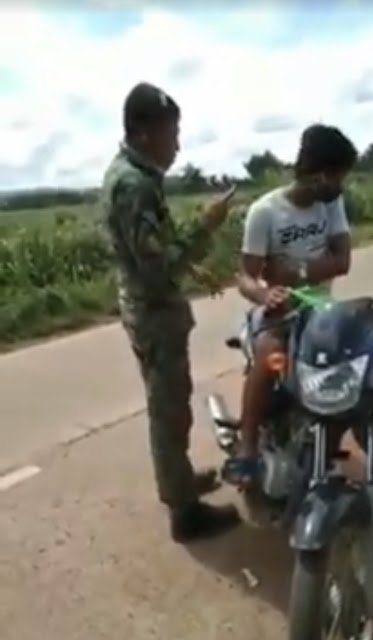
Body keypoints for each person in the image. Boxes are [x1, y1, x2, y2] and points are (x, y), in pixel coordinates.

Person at [101, 82, 240, 542]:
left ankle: (178, 480)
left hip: (146, 304)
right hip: (154, 312)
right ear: (143, 133)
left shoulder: (131, 174)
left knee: (169, 404)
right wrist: (205, 226)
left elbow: (148, 251)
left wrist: (191, 267)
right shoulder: (134, 185)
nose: (177, 145)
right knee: (169, 410)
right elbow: (158, 269)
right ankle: (185, 512)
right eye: (171, 134)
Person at [225, 123, 358, 485]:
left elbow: (343, 261)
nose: (340, 185)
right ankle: (248, 448)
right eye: (337, 176)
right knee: (270, 356)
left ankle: (329, 442)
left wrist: (294, 271)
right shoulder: (264, 212)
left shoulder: (331, 205)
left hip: (322, 312)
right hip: (279, 312)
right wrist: (264, 293)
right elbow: (246, 276)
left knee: (355, 370)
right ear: (317, 173)